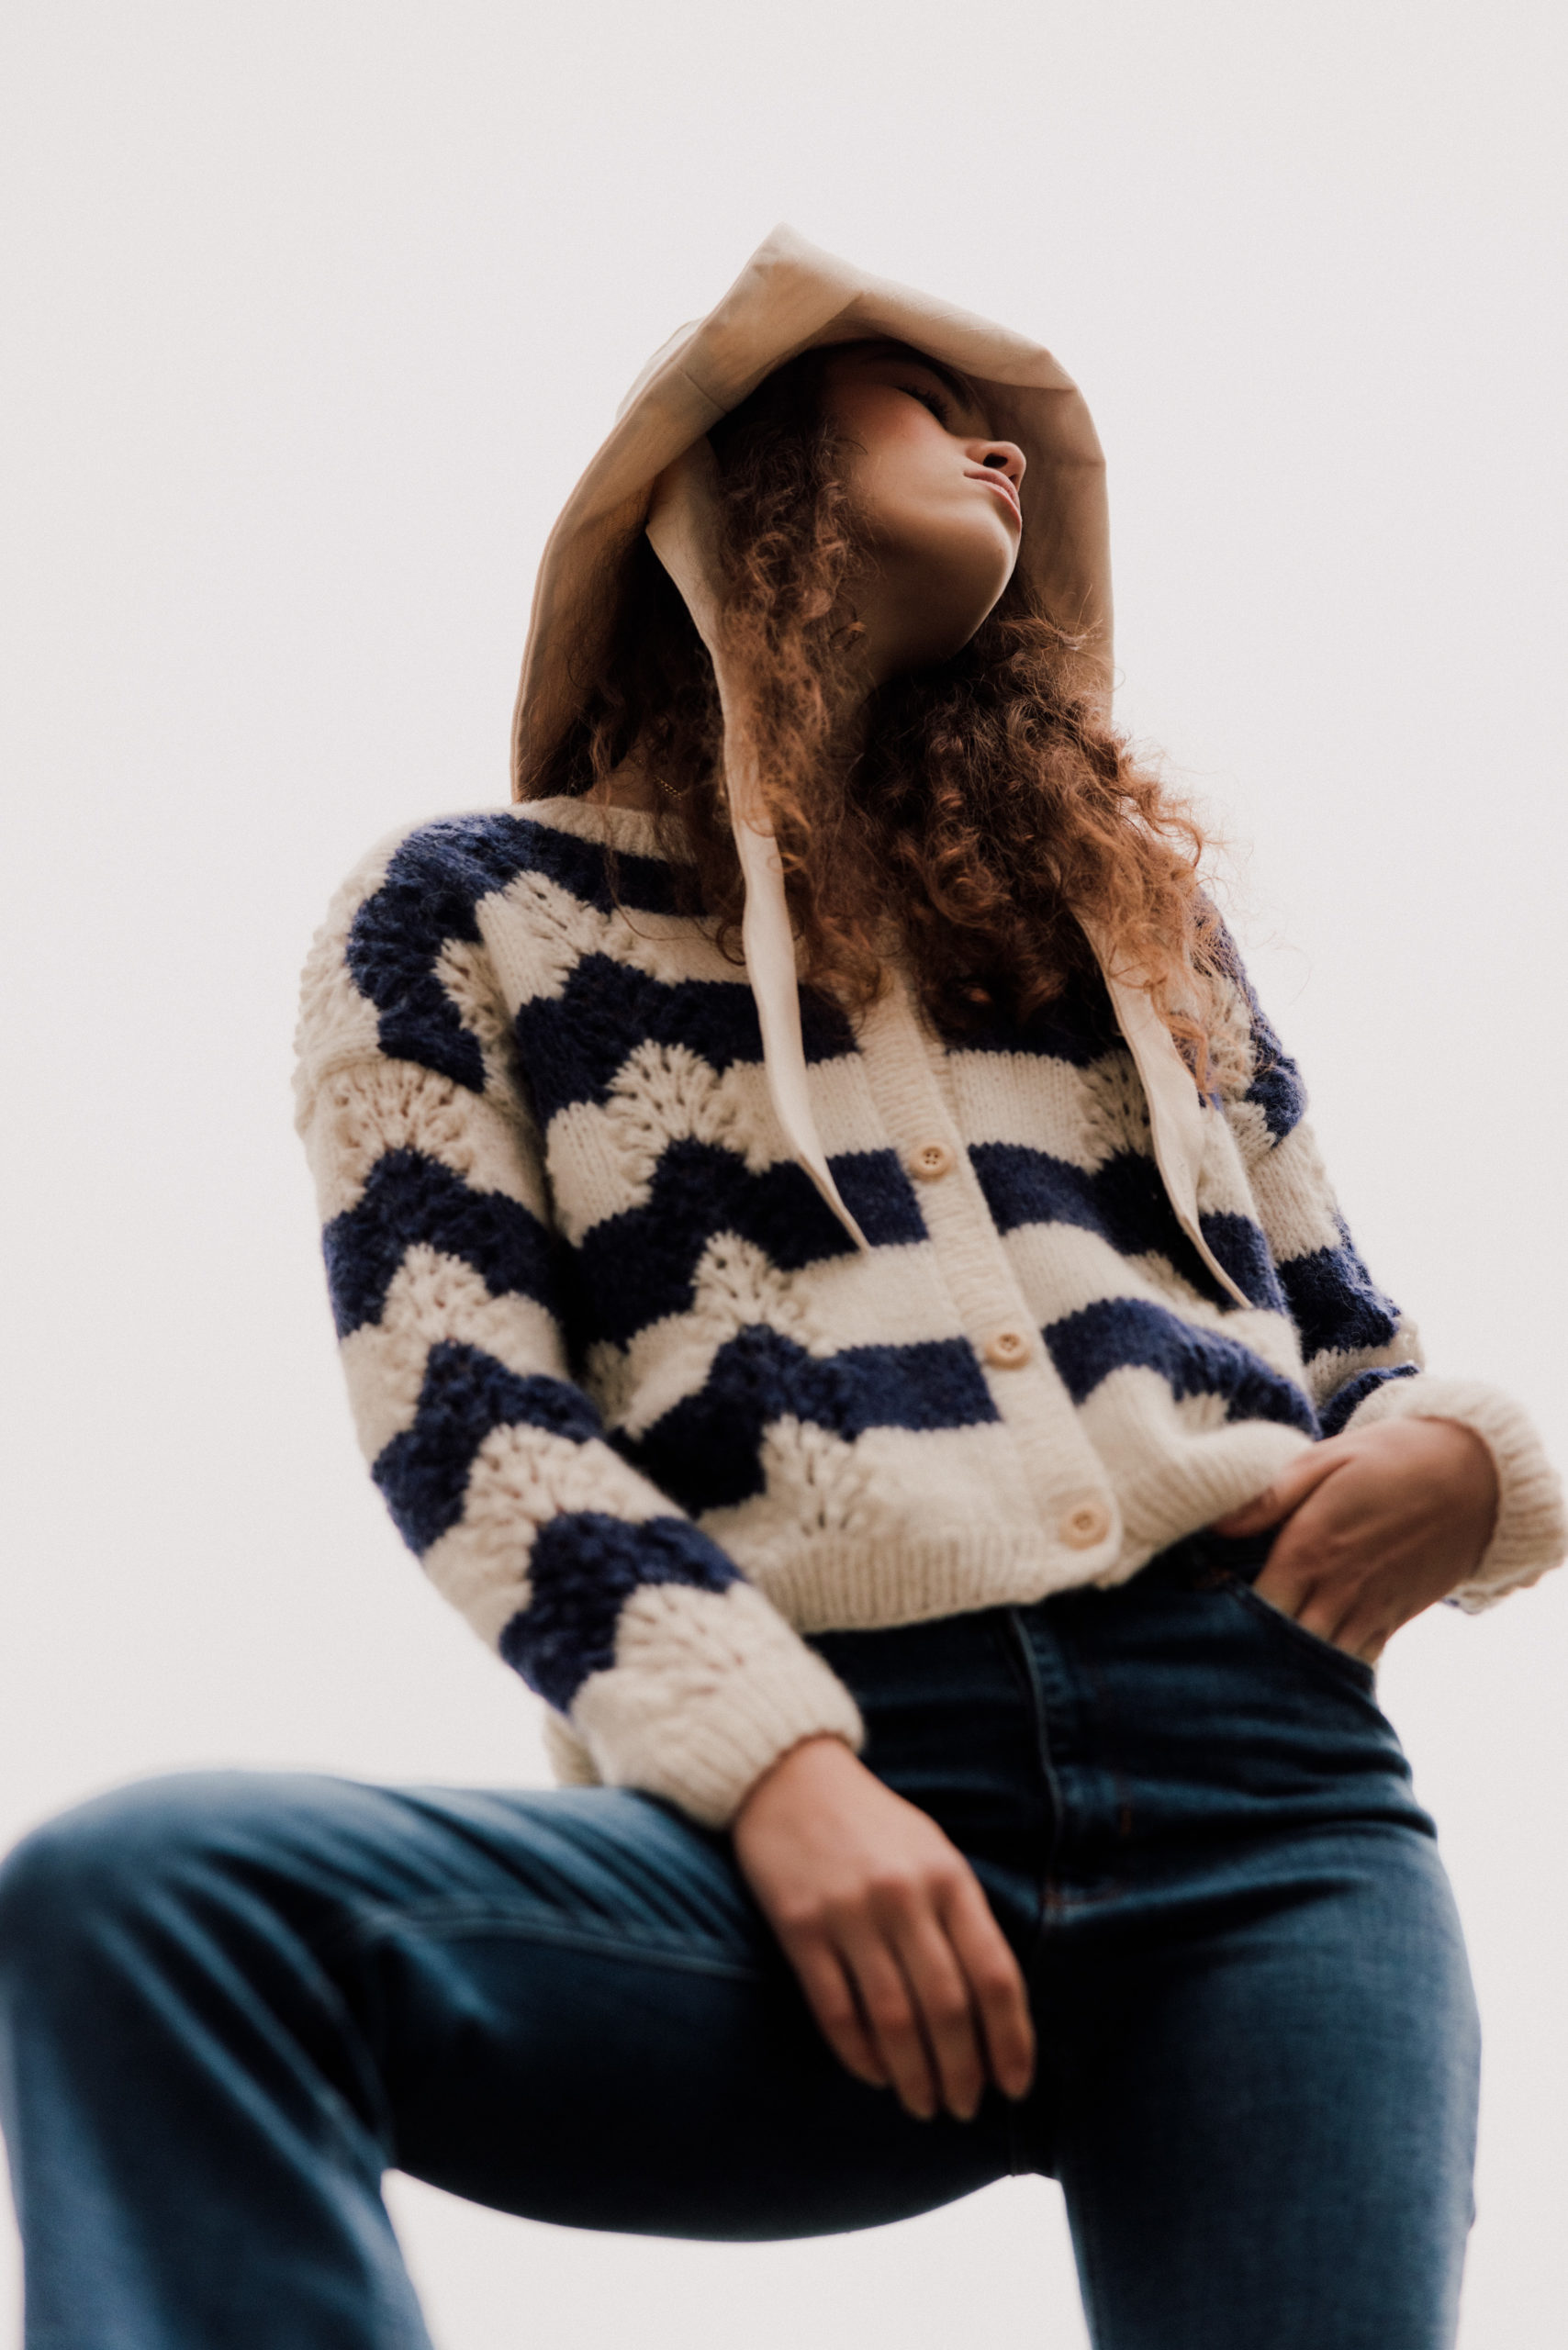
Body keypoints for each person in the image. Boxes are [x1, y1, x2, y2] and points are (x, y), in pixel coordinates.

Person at [0, 227, 1561, 2350]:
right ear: (738, 478)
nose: (993, 449)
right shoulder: (467, 915)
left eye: (1003, 425)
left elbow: (1343, 1333)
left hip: (1274, 1822)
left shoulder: (1135, 937)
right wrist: (774, 1766)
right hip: (791, 1819)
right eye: (922, 404)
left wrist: (1468, 1461)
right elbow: (466, 1406)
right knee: (148, 1901)